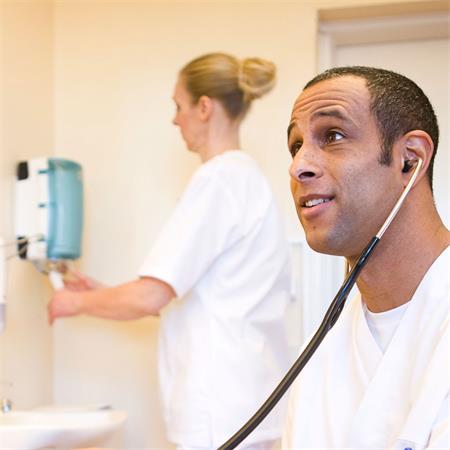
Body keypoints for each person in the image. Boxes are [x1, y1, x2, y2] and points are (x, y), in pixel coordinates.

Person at [48, 52, 291, 450]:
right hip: (246, 403)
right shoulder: (247, 180)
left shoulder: (218, 181)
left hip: (219, 411)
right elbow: (200, 297)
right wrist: (101, 293)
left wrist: (73, 303)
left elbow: (150, 296)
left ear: (204, 107)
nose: (175, 120)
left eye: (178, 106)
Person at [282, 66, 449, 449]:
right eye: (295, 146)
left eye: (333, 136)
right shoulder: (319, 353)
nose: (298, 166)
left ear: (410, 159)